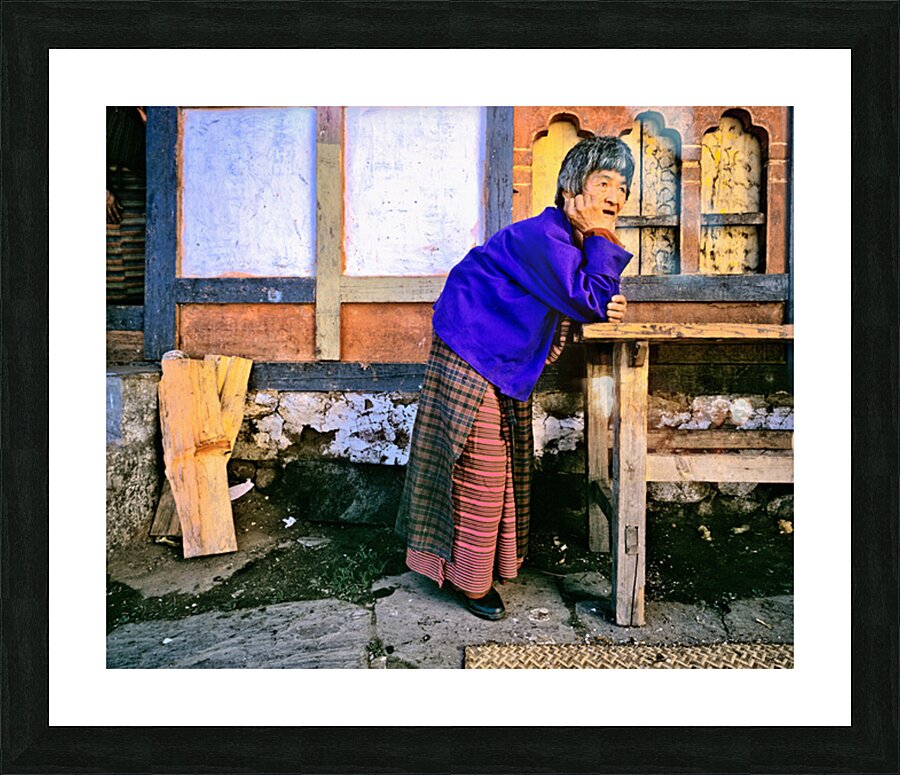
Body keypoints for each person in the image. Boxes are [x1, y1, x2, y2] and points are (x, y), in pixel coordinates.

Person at [395, 135, 635, 620]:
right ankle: (469, 580)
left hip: (497, 356)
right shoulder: (545, 236)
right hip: (469, 346)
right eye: (604, 183)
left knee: (505, 461)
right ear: (571, 189)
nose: (615, 196)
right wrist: (599, 269)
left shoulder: (570, 241)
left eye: (623, 188)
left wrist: (603, 299)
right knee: (481, 466)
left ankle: (484, 565)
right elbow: (588, 297)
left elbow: (589, 297)